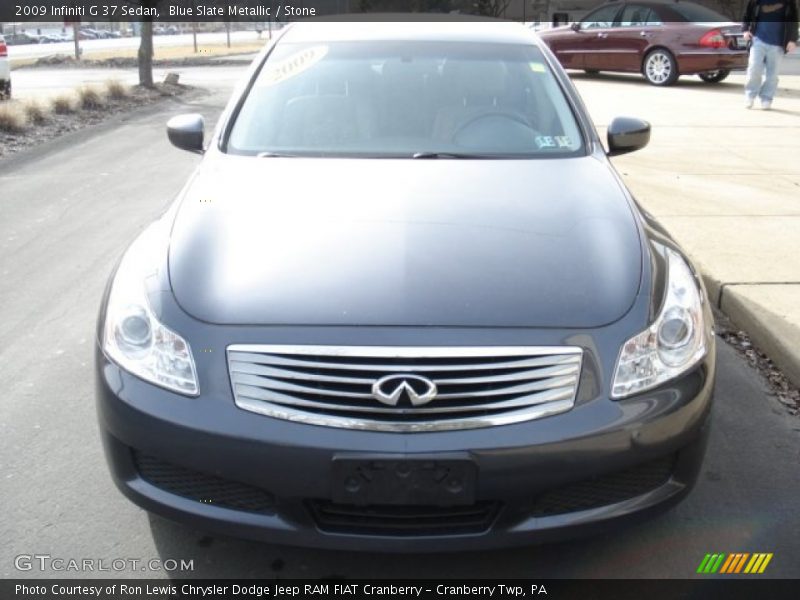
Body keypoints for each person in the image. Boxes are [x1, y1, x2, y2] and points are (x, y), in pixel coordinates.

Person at [742, 0, 798, 109]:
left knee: (772, 75)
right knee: (754, 68)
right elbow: (747, 15)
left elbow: (793, 20)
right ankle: (750, 95)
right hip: (758, 40)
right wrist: (745, 30)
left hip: (777, 44)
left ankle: (766, 98)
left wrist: (792, 39)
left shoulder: (789, 2)